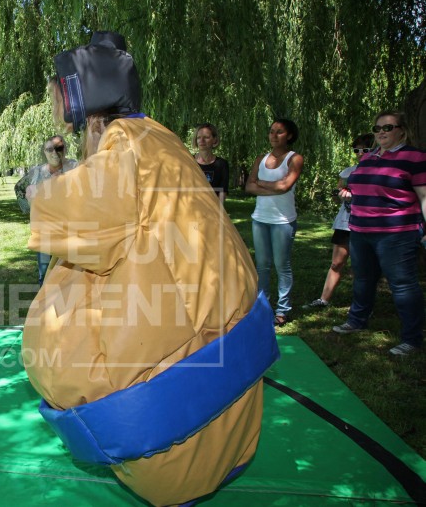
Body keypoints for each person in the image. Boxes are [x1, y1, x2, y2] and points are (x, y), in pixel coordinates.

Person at [22, 31, 278, 507]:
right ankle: (215, 455)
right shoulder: (158, 133)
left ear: (82, 94)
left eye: (60, 90)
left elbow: (88, 209)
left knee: (70, 347)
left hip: (171, 323)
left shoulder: (123, 144)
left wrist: (42, 194)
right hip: (206, 282)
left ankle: (171, 462)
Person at [332, 111, 426, 356]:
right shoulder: (368, 157)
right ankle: (357, 321)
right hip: (361, 229)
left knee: (403, 285)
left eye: (388, 127)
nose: (381, 132)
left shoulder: (414, 157)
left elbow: (424, 197)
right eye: (377, 128)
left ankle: (412, 339)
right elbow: (360, 187)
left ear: (401, 130)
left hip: (396, 232)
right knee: (362, 278)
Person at [303, 133, 375, 309]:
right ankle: (323, 300)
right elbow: (337, 195)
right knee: (336, 263)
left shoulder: (378, 172)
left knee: (363, 267)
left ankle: (362, 306)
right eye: (356, 149)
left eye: (365, 149)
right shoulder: (348, 172)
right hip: (345, 223)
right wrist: (341, 195)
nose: (360, 153)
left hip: (367, 224)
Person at [245, 118, 305, 326]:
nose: (273, 135)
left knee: (282, 265)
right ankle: (263, 306)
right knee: (262, 266)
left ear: (289, 135)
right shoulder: (261, 158)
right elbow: (248, 187)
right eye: (271, 131)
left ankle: (282, 309)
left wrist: (260, 183)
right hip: (260, 219)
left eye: (279, 132)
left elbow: (285, 186)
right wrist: (270, 186)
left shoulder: (294, 158)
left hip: (283, 221)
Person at [14, 135, 78, 285]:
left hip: (70, 230)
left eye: (59, 148)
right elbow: (19, 188)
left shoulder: (75, 168)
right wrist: (30, 209)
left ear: (65, 149)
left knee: (69, 271)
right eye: (50, 149)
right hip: (44, 230)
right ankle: (44, 305)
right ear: (44, 152)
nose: (54, 153)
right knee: (44, 272)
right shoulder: (37, 172)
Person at [193, 122, 229, 203]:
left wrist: (219, 212)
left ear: (214, 140)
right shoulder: (189, 162)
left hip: (212, 211)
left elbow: (222, 192)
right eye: (199, 137)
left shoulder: (222, 164)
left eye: (206, 137)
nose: (201, 140)